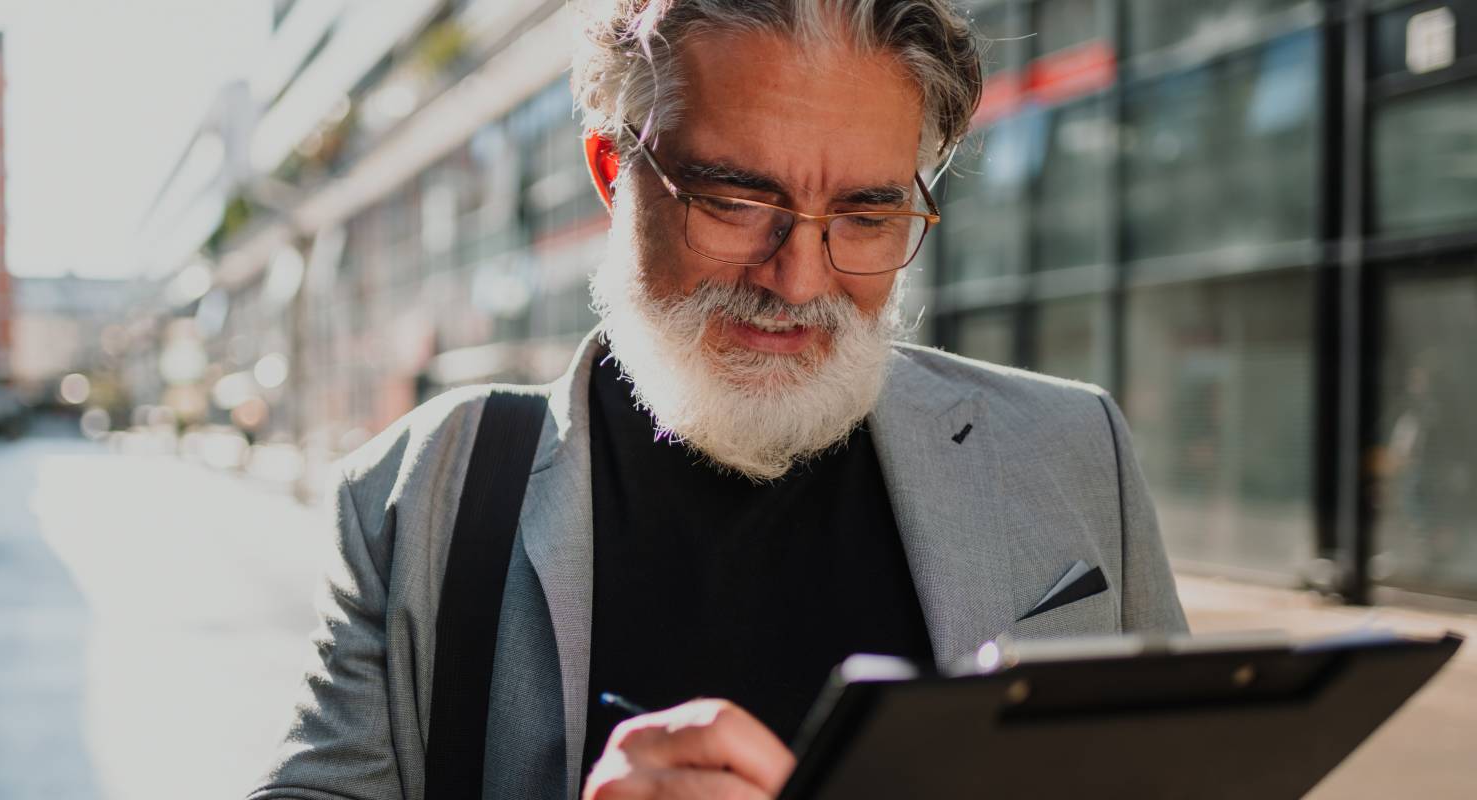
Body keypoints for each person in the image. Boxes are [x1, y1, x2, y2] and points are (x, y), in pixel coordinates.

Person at [249, 2, 1187, 798]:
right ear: (613, 175)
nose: (797, 277)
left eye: (867, 216)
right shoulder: (415, 498)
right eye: (736, 201)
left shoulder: (1075, 449)